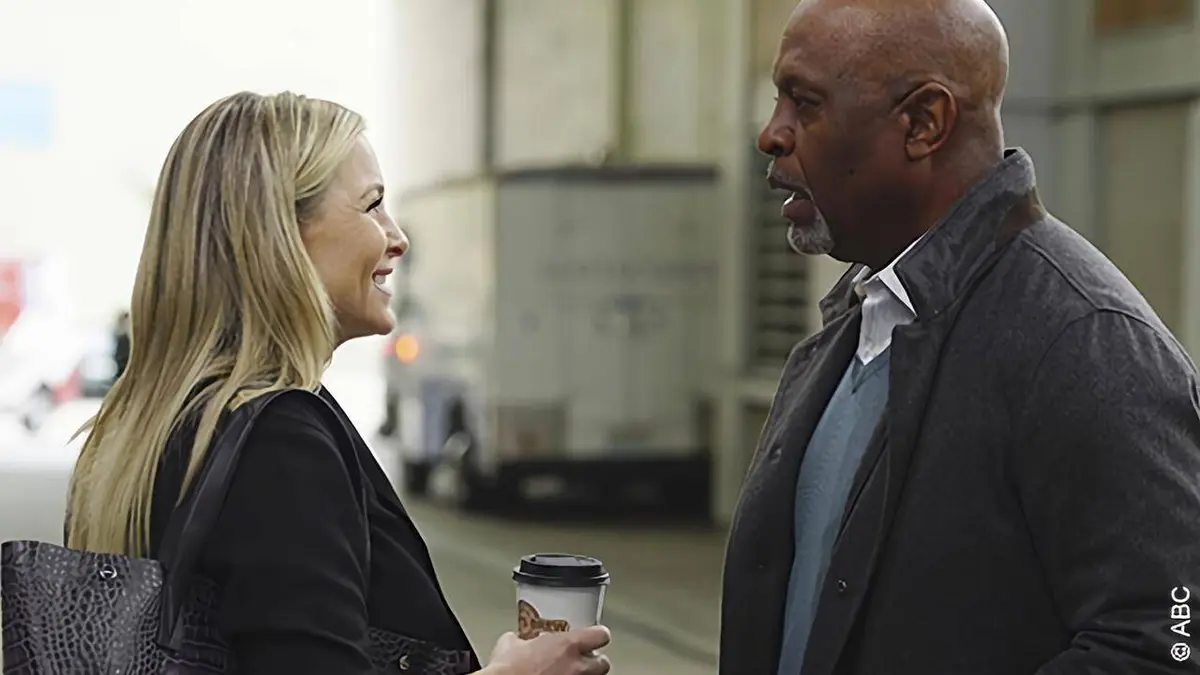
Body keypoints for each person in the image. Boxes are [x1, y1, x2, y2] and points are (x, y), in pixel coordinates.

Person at [721, 1, 1200, 674]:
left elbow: (1169, 641)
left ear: (924, 122)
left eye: (806, 103)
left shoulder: (1086, 343)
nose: (772, 133)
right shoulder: (862, 323)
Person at [64, 91, 612, 675]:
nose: (397, 237)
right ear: (280, 235)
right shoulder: (277, 440)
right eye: (372, 205)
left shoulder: (146, 426)